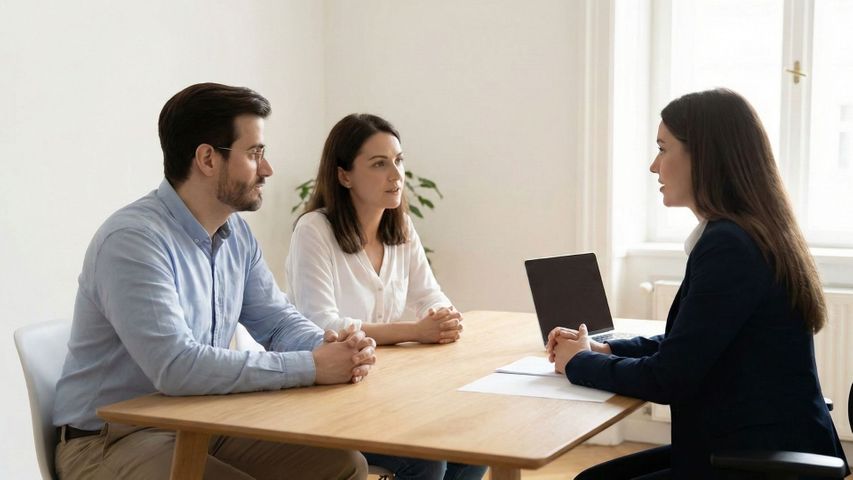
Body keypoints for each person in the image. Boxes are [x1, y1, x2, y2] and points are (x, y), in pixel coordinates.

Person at [53, 83, 376, 480]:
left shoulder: (235, 234)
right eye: (255, 153)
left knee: (343, 466)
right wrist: (312, 366)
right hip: (109, 441)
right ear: (207, 158)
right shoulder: (133, 241)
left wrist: (332, 348)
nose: (267, 169)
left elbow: (276, 321)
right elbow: (177, 368)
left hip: (197, 420)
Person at [547, 89, 849, 479]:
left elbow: (669, 377)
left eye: (663, 148)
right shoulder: (744, 233)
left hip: (757, 462)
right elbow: (694, 343)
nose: (654, 166)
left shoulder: (729, 246)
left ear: (703, 156)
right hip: (753, 444)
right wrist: (604, 348)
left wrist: (580, 362)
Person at [285, 114, 486, 480]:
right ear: (344, 175)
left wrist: (443, 317)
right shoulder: (314, 230)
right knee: (427, 461)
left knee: (473, 444)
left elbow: (430, 295)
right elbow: (321, 324)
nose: (396, 175)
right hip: (329, 399)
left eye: (399, 160)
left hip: (385, 392)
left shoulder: (402, 227)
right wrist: (413, 331)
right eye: (379, 164)